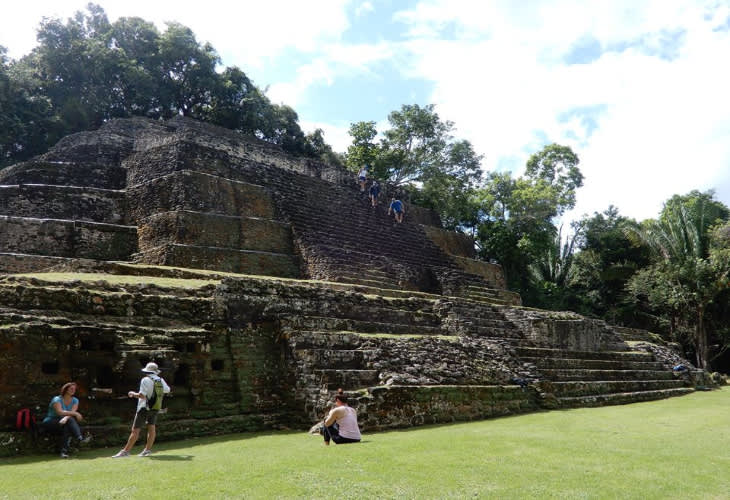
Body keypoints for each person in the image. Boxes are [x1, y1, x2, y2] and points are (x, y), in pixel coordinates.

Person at [112, 362, 170, 458]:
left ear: (147, 371)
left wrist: (132, 393)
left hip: (144, 408)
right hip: (155, 408)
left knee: (135, 430)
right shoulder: (160, 380)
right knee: (151, 429)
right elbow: (167, 390)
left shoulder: (145, 380)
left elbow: (142, 395)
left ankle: (125, 452)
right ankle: (147, 450)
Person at [41, 382, 92, 458]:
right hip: (51, 422)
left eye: (74, 389)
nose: (73, 390)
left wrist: (66, 417)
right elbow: (60, 412)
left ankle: (63, 453)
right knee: (69, 421)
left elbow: (72, 413)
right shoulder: (57, 399)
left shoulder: (75, 400)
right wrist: (76, 414)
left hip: (64, 422)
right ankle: (80, 438)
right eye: (71, 389)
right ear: (66, 389)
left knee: (67, 428)